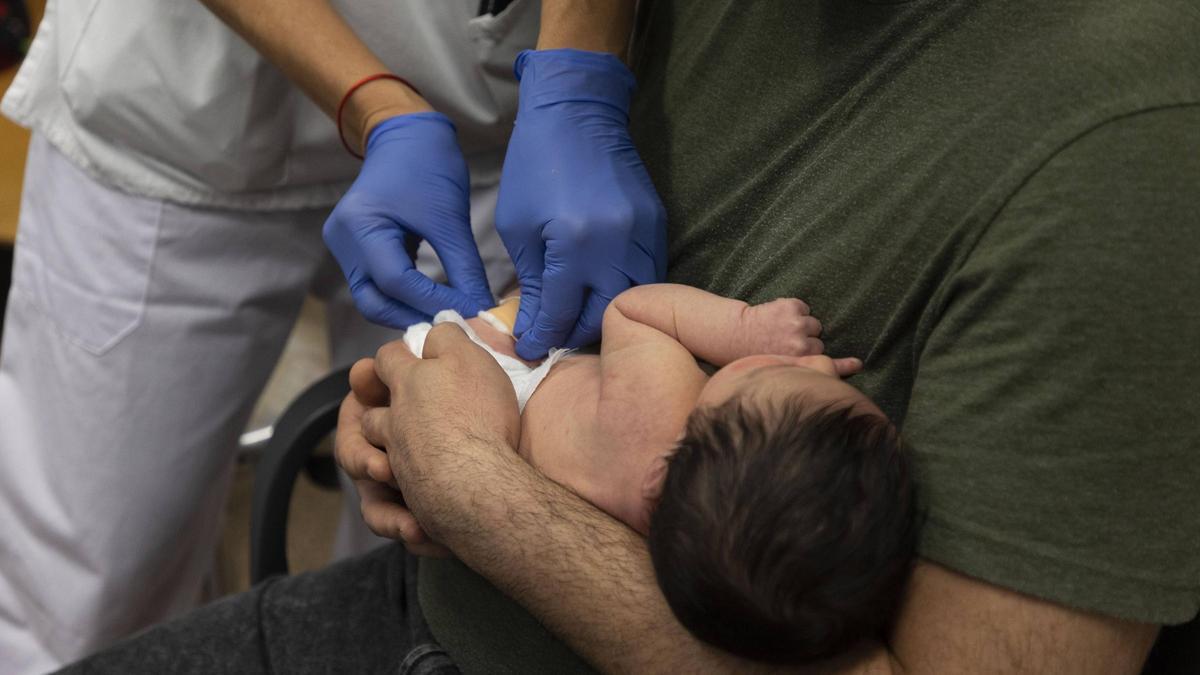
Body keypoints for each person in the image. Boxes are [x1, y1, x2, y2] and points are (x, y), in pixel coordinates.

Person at [53, 0, 1200, 672]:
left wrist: (465, 478)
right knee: (74, 576)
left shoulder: (1128, 153)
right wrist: (399, 101)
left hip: (470, 595)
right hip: (194, 130)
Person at [0, 0, 663, 671]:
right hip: (175, 115)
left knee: (410, 562)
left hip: (493, 117)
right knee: (85, 592)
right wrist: (374, 107)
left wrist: (580, 75)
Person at [396, 283, 918, 664]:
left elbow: (631, 309)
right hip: (461, 453)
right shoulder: (697, 545)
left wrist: (745, 329)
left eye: (774, 372)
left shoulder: (659, 409)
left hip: (474, 364)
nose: (822, 365)